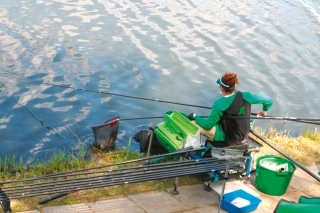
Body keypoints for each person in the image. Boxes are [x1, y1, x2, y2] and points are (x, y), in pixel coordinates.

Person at [188, 72, 273, 147]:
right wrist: (264, 111)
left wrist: (195, 116)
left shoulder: (219, 104)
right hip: (243, 134)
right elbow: (268, 100)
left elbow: (207, 125)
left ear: (221, 88)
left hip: (227, 138)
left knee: (193, 124)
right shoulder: (247, 96)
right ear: (234, 86)